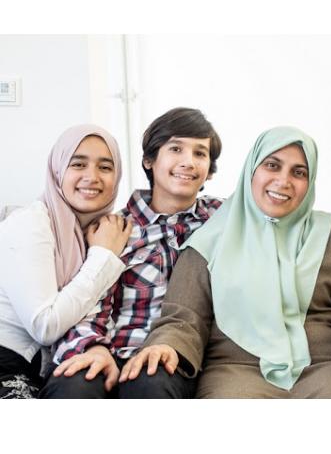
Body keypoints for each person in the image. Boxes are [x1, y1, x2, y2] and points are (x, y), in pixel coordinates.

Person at [119, 126, 331, 398]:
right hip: (236, 371)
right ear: (252, 169)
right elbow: (183, 317)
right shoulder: (208, 239)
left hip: (323, 368)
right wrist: (166, 344)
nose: (283, 181)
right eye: (272, 166)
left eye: (298, 172)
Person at [39, 107, 223, 398]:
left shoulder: (222, 220)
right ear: (149, 160)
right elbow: (88, 300)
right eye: (176, 149)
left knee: (150, 383)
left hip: (173, 354)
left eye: (200, 153)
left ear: (209, 170)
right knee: (73, 386)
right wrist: (94, 347)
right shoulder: (113, 228)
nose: (188, 162)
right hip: (109, 348)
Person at [0, 125, 131, 399]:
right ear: (58, 170)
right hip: (8, 362)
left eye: (105, 167)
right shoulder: (30, 224)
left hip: (45, 367)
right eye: (78, 164)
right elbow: (45, 326)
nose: (92, 177)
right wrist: (103, 255)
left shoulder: (100, 230)